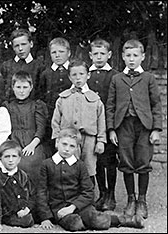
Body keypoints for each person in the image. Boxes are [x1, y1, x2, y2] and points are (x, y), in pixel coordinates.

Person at [37, 128, 144, 231]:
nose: (67, 149)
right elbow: (41, 191)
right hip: (59, 208)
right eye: (64, 144)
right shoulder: (47, 164)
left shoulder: (80, 165)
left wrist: (73, 206)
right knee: (75, 224)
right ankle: (86, 222)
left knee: (96, 219)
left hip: (79, 205)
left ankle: (124, 220)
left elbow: (88, 191)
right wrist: (45, 217)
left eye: (72, 146)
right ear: (57, 143)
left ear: (76, 148)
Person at [106, 39, 163, 219]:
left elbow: (156, 105)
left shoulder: (148, 78)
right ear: (122, 57)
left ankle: (142, 201)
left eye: (135, 56)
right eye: (128, 55)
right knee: (127, 163)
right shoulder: (117, 78)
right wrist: (111, 129)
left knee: (143, 163)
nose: (131, 59)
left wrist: (156, 129)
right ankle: (131, 200)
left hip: (144, 127)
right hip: (123, 126)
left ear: (143, 57)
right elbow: (110, 105)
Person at [51, 59, 106, 186]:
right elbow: (56, 121)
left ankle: (88, 199)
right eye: (74, 75)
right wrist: (57, 138)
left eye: (81, 74)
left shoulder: (95, 99)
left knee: (89, 169)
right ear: (69, 77)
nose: (78, 78)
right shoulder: (63, 98)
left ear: (88, 75)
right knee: (70, 168)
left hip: (89, 140)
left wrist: (101, 141)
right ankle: (70, 199)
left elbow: (101, 122)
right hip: (69, 140)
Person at [87, 38, 120, 211]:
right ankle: (102, 192)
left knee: (110, 161)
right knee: (97, 161)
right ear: (90, 55)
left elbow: (117, 103)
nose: (99, 57)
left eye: (102, 54)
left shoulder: (114, 75)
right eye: (96, 54)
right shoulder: (87, 75)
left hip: (109, 125)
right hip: (92, 126)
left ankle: (111, 195)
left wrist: (113, 127)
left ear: (109, 55)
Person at [3, 71, 48, 187]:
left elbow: (41, 129)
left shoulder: (36, 105)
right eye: (18, 87)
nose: (21, 91)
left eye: (25, 87)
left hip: (33, 142)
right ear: (13, 87)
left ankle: (33, 197)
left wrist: (32, 145)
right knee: (13, 161)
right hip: (14, 141)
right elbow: (4, 129)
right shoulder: (8, 106)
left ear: (31, 87)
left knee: (32, 162)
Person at [0, 140, 36, 229]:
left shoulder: (23, 176)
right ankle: (0, 220)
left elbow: (33, 194)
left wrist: (27, 209)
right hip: (0, 211)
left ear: (19, 159)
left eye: (14, 156)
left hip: (18, 212)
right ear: (0, 158)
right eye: (7, 157)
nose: (11, 160)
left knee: (28, 220)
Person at [36, 37, 72, 153]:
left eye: (61, 52)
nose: (57, 55)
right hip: (51, 117)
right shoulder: (46, 73)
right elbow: (41, 95)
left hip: (70, 116)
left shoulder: (73, 71)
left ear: (69, 53)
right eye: (54, 52)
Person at [0, 28, 45, 102]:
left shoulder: (39, 66)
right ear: (13, 47)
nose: (20, 49)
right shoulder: (6, 66)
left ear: (31, 44)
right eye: (16, 46)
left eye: (23, 44)